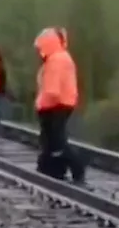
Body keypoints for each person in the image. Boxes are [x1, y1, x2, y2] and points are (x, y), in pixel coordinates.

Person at [34, 26, 84, 183]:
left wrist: (43, 102)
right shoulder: (61, 57)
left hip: (56, 104)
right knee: (50, 140)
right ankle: (51, 170)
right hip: (60, 103)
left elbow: (52, 88)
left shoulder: (56, 60)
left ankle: (76, 167)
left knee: (57, 142)